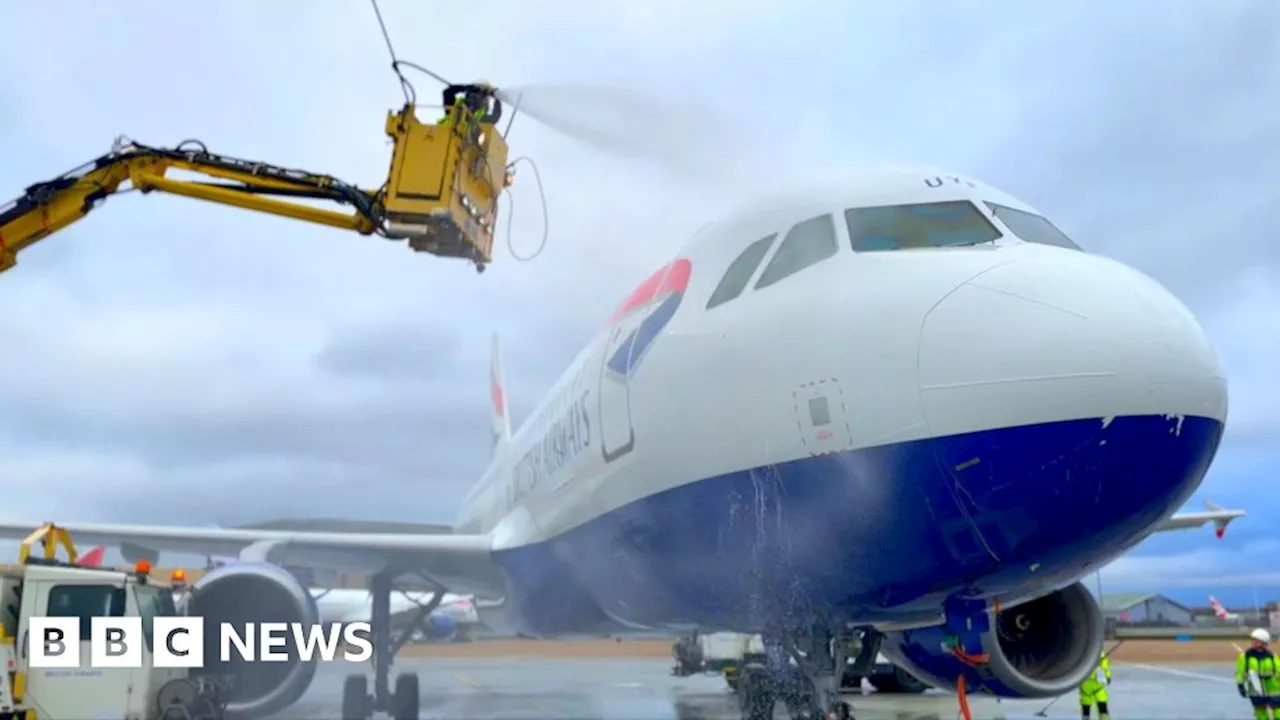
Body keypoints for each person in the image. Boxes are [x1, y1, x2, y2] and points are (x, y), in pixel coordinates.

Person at [1237, 628, 1280, 720]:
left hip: (1274, 691)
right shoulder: (1245, 657)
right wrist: (1240, 685)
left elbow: (1278, 672)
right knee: (1261, 716)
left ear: (1263, 642)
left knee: (1278, 715)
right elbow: (1240, 672)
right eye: (1252, 640)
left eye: (1255, 640)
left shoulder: (1272, 657)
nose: (1253, 642)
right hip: (1257, 692)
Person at [1078, 648, 1112, 719]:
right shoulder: (1100, 654)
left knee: (1088, 709)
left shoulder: (1080, 654)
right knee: (1100, 707)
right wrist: (1108, 677)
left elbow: (1105, 667)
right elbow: (1105, 667)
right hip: (1093, 685)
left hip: (1090, 685)